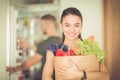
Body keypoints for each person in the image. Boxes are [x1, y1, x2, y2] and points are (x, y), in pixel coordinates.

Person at [42, 7, 110, 80]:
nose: (72, 30)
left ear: (81, 26)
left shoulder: (91, 48)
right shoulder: (53, 51)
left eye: (76, 25)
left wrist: (80, 74)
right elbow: (46, 78)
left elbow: (106, 77)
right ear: (61, 26)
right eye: (67, 25)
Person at [6, 14, 61, 80]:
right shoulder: (60, 40)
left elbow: (28, 63)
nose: (41, 28)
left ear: (47, 24)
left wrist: (13, 69)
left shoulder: (45, 43)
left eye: (41, 25)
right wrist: (27, 45)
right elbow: (44, 51)